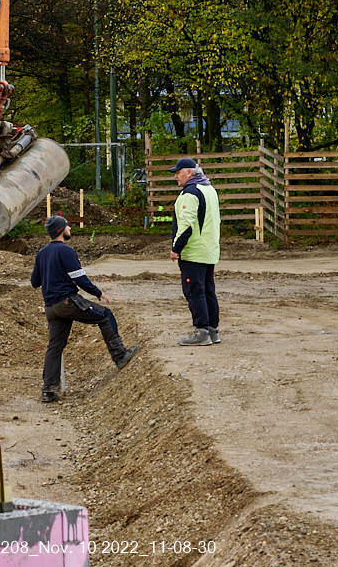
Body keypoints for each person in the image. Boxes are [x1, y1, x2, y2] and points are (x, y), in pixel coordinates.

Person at [31, 215, 141, 402]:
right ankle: (120, 355)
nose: (70, 228)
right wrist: (98, 293)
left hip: (51, 307)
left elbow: (35, 282)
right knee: (105, 316)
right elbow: (79, 278)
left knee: (55, 347)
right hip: (68, 302)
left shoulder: (42, 253)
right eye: (67, 226)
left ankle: (49, 390)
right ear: (60, 230)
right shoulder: (66, 251)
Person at [168, 157, 221, 345]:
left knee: (194, 291)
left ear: (189, 172)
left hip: (194, 252)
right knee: (208, 291)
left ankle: (201, 332)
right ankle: (212, 330)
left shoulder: (190, 193)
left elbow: (186, 225)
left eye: (178, 172)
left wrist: (176, 248)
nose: (176, 176)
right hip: (209, 250)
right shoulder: (209, 189)